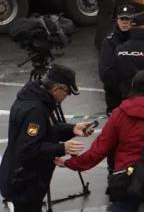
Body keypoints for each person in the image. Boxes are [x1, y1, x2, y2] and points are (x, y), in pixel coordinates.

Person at [60, 70, 144, 211]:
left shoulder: (119, 113)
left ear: (133, 86)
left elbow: (99, 150)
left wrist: (71, 163)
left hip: (126, 179)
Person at [0, 65, 91, 212]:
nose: (65, 97)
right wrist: (62, 148)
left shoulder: (37, 100)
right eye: (67, 93)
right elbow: (28, 148)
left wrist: (72, 129)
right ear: (57, 89)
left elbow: (48, 130)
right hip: (25, 180)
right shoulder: (35, 110)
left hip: (25, 177)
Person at [99, 3, 136, 114]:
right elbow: (106, 73)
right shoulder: (109, 42)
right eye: (122, 19)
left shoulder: (138, 40)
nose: (124, 22)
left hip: (135, 97)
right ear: (117, 20)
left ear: (133, 21)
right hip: (116, 98)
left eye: (127, 19)